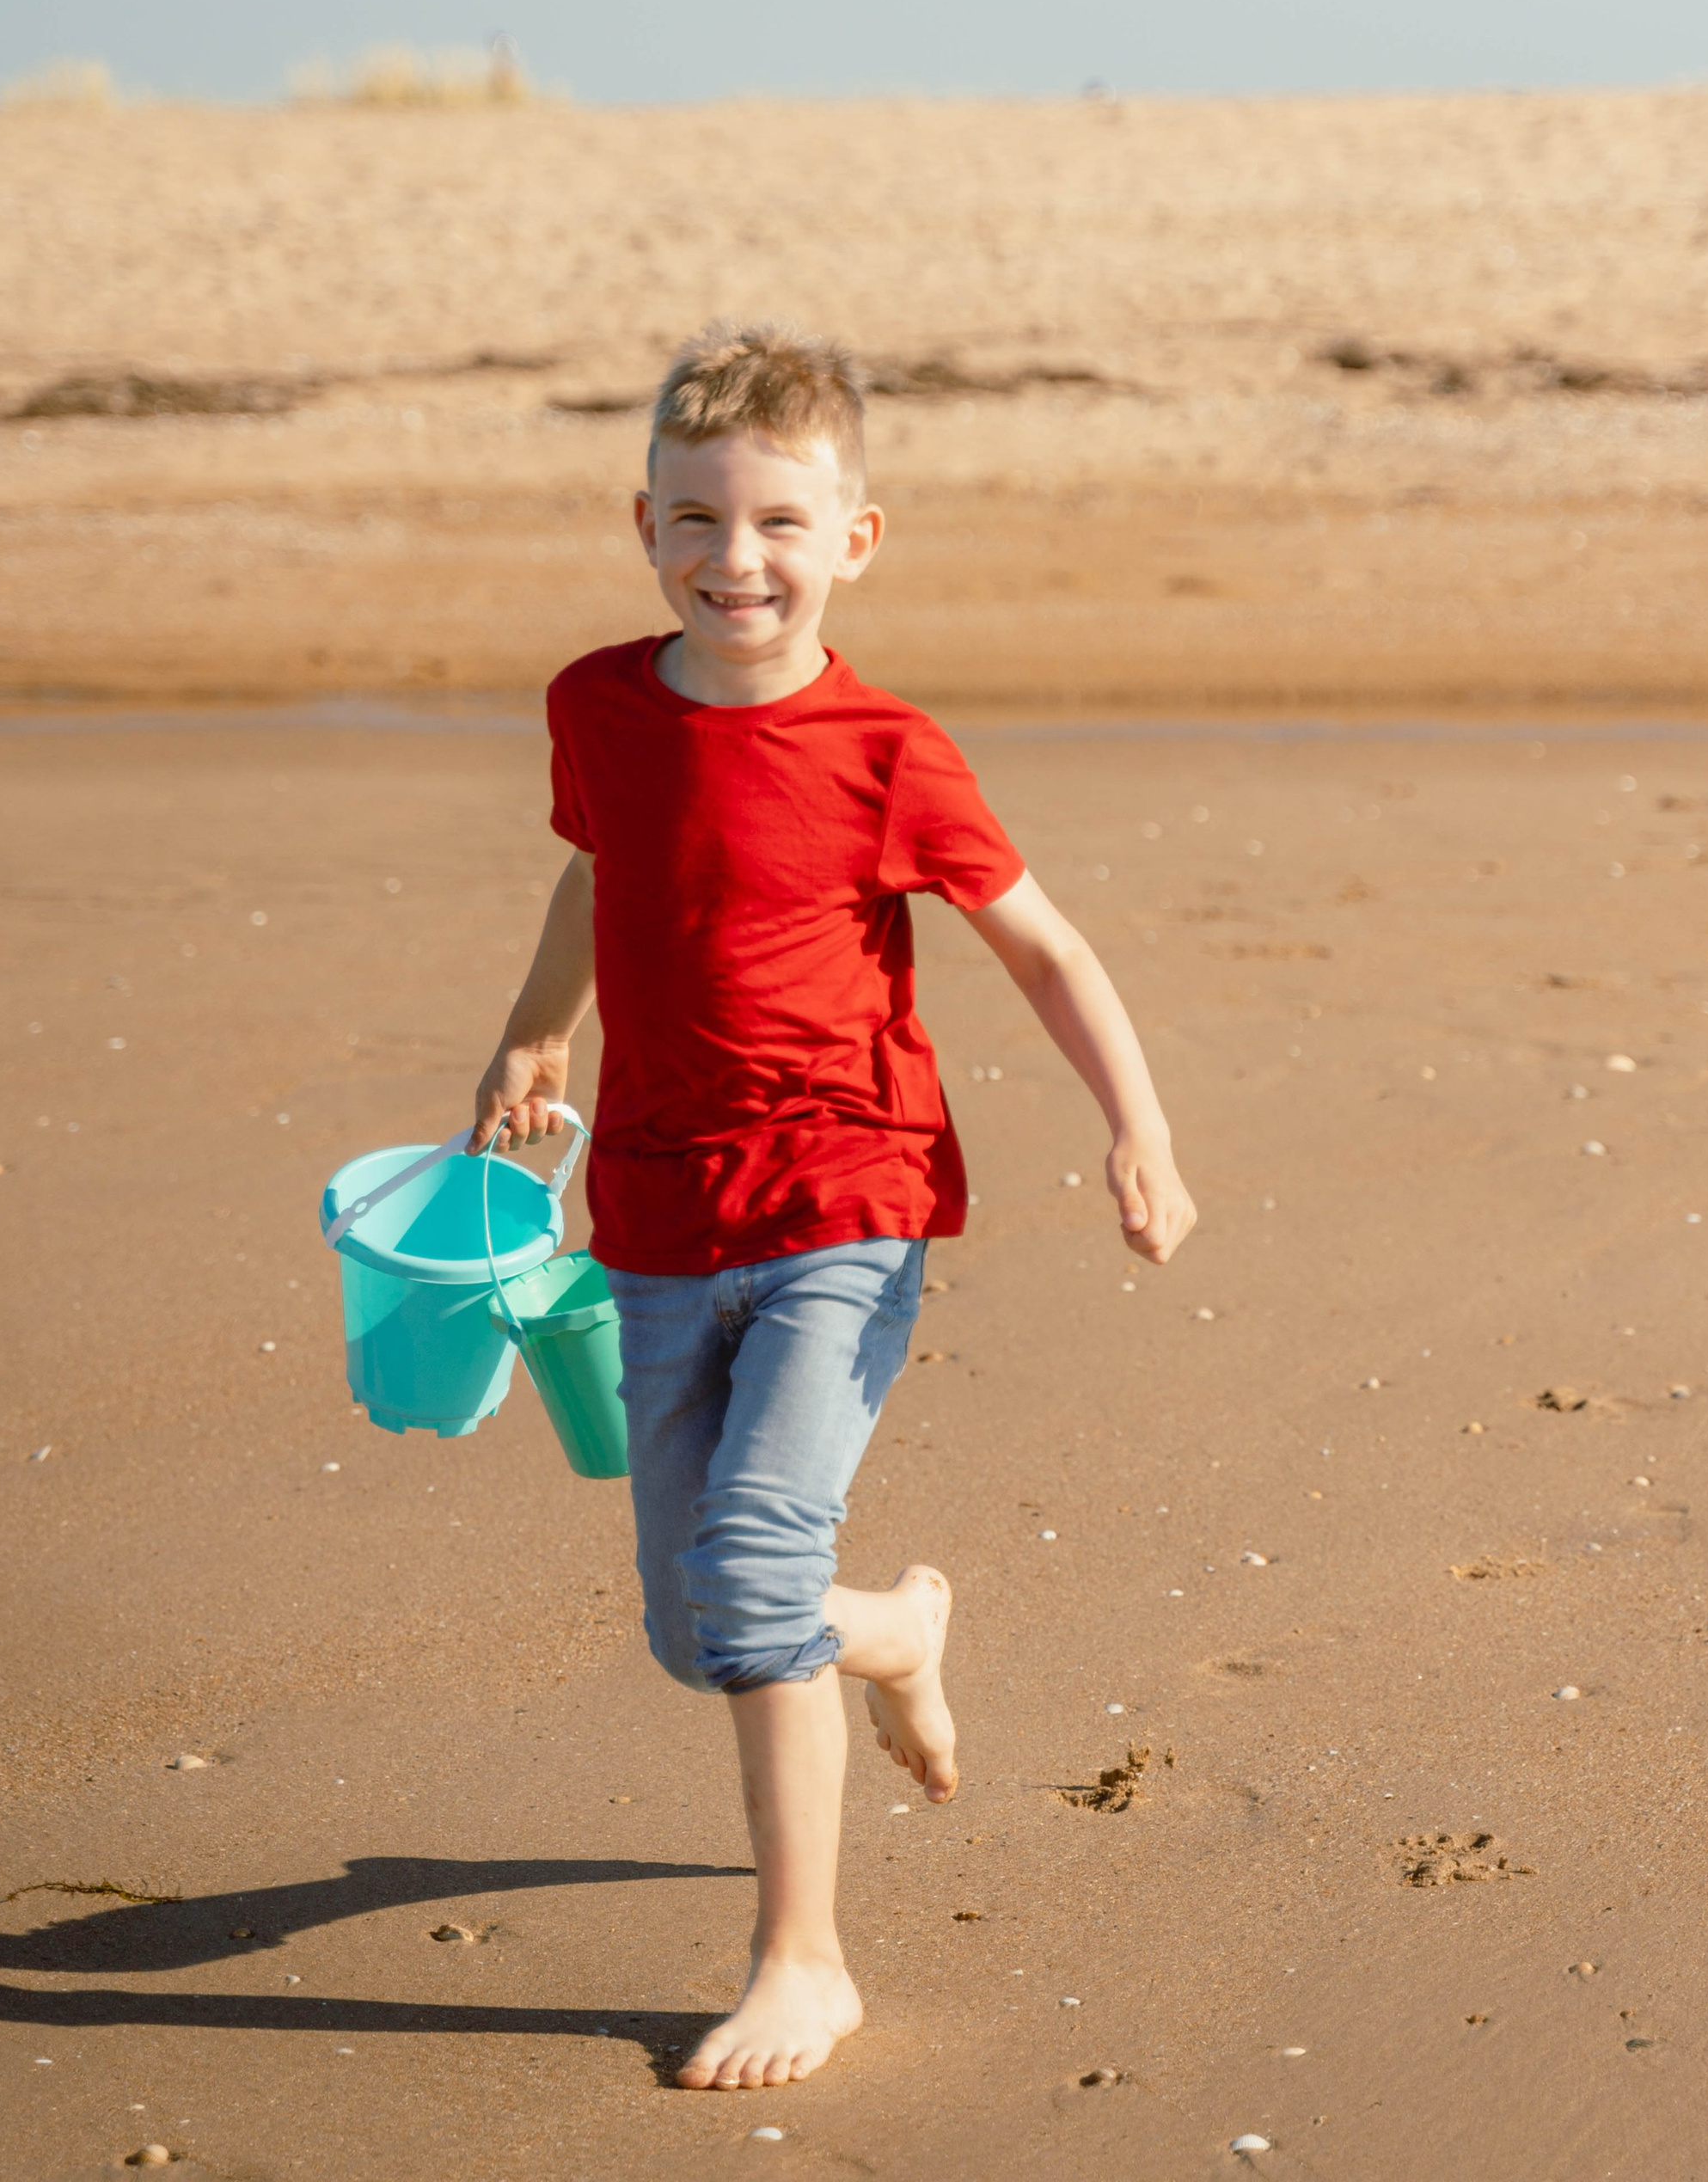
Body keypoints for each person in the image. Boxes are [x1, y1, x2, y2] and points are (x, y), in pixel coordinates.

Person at [471, 320, 1196, 2093]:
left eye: (782, 523)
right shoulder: (597, 708)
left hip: (848, 1202)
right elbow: (594, 873)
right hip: (649, 1208)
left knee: (750, 1567)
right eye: (701, 520)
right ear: (642, 523)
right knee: (696, 1623)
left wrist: (1139, 1131)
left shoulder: (887, 751)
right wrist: (527, 1032)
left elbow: (1043, 944)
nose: (740, 559)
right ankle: (897, 1633)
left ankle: (802, 1959)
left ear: (850, 540)